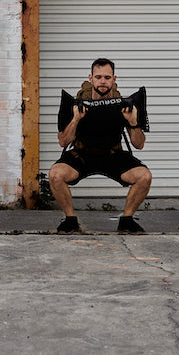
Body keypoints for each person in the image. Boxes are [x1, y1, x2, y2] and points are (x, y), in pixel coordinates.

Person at [48, 58, 152, 234]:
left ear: (114, 79)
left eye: (107, 77)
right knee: (55, 175)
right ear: (91, 78)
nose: (102, 81)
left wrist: (133, 122)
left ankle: (126, 220)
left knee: (144, 176)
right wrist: (75, 120)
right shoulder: (76, 104)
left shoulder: (123, 105)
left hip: (112, 154)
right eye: (98, 77)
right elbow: (63, 142)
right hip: (82, 154)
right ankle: (70, 220)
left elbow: (139, 144)